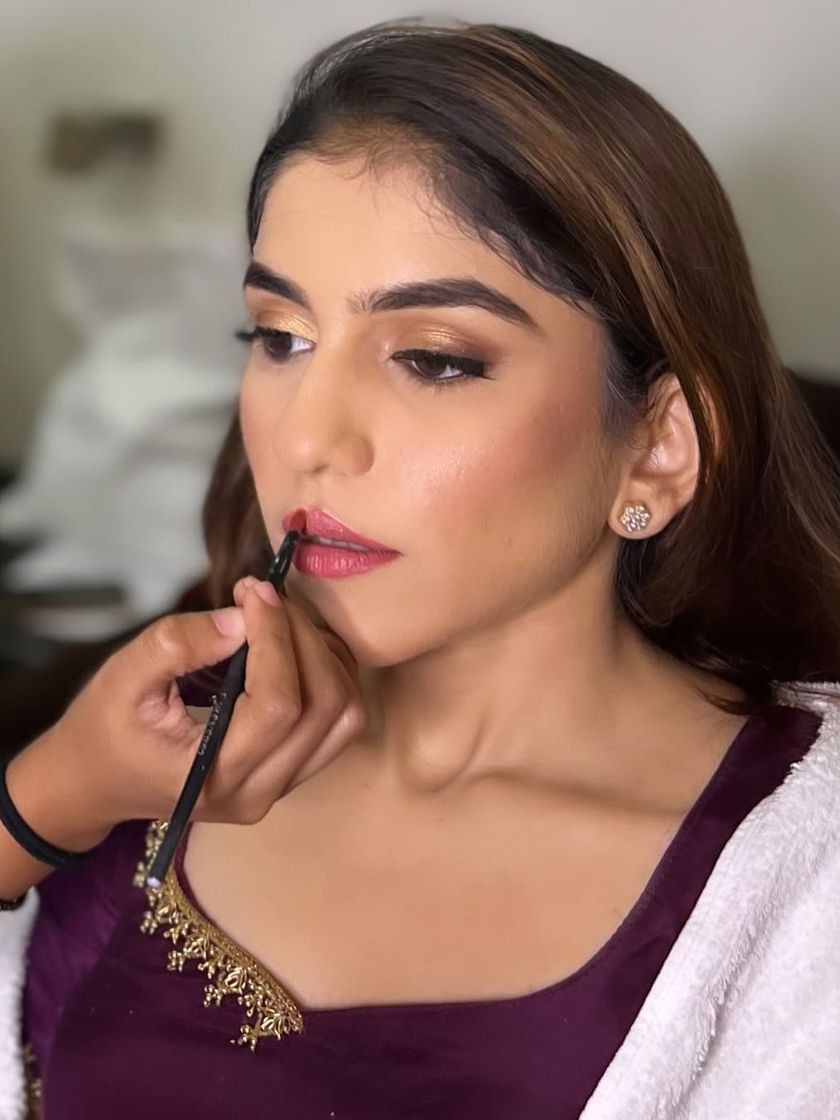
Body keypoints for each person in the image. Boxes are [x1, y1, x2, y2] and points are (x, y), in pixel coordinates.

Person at [2, 18, 839, 1119]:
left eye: (433, 359)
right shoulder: (135, 763)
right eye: (280, 337)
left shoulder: (807, 883)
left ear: (657, 446)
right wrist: (42, 806)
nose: (310, 436)